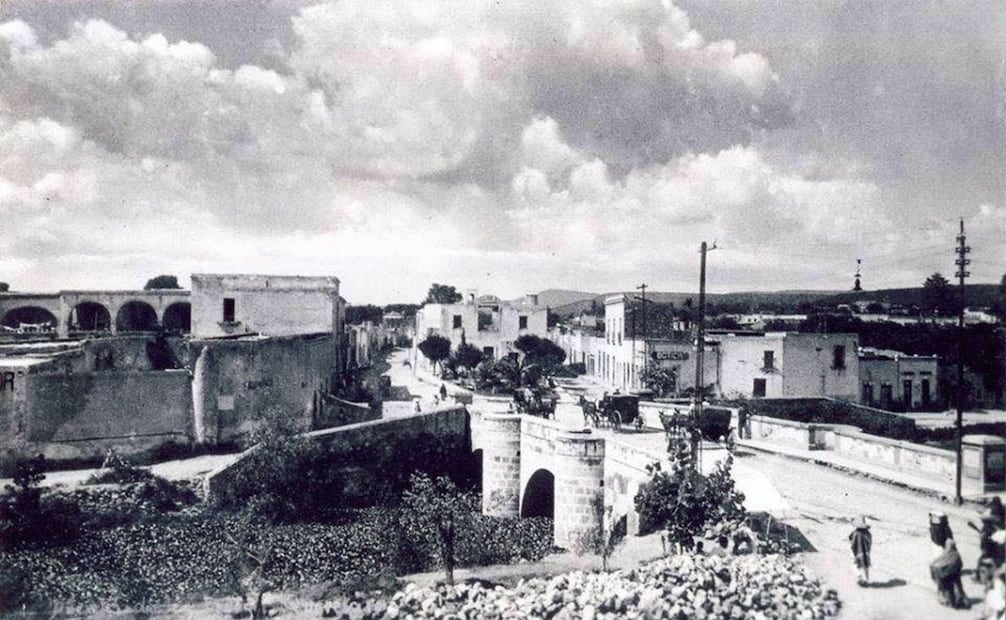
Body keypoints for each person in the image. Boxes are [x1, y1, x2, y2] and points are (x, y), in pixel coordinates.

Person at [931, 538, 969, 609]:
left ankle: (947, 600)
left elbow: (933, 565)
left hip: (940, 574)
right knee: (956, 586)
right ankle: (957, 600)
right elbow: (960, 564)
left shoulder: (944, 553)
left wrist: (933, 577)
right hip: (950, 575)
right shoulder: (956, 554)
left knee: (945, 589)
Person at [849, 515, 872, 586]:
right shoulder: (868, 533)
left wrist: (853, 550)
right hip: (866, 553)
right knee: (866, 567)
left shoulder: (856, 533)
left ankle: (860, 578)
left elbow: (853, 544)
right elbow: (870, 543)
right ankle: (867, 580)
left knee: (855, 566)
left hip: (858, 552)